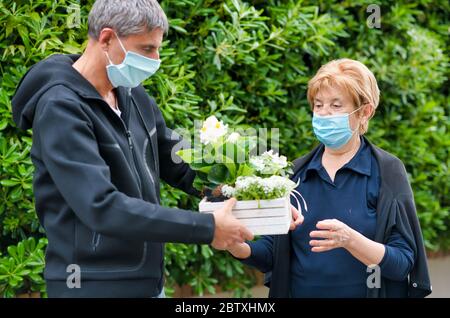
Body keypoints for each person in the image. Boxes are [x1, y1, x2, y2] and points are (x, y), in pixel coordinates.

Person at [11, 0, 257, 298]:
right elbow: (101, 206)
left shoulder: (133, 96)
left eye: (157, 49)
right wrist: (206, 227)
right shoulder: (61, 109)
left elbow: (178, 161)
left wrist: (244, 190)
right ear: (106, 38)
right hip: (91, 287)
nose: (156, 59)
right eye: (146, 49)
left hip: (149, 285)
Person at [226, 58, 432, 298]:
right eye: (318, 104)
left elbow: (403, 262)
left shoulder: (386, 171)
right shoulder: (295, 174)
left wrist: (350, 240)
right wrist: (235, 245)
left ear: (364, 112)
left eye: (336, 105)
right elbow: (274, 253)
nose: (324, 114)